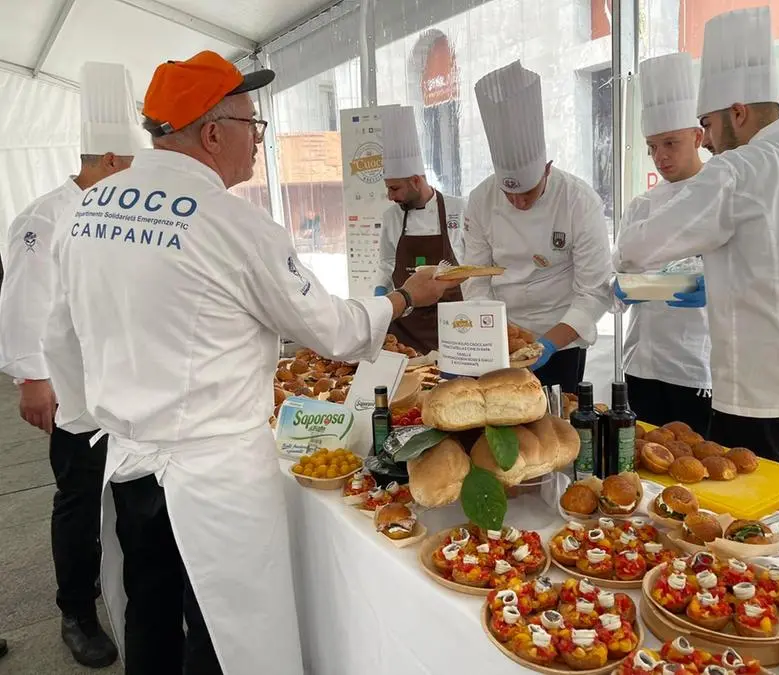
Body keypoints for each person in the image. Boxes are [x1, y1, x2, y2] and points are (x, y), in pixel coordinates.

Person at [42, 50, 459, 675]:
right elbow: (334, 330)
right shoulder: (233, 223)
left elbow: (61, 334)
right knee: (230, 636)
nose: (258, 142)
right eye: (252, 126)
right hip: (216, 478)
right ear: (213, 133)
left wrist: (84, 418)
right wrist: (405, 296)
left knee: (148, 609)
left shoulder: (87, 209)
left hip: (130, 463)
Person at [614, 7, 779, 467]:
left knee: (742, 518)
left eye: (706, 125)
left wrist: (660, 278)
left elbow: (635, 250)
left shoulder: (740, 168)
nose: (706, 141)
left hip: (760, 393)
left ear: (738, 111)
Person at [0, 61, 147, 669]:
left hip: (127, 384)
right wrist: (31, 377)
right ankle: (76, 610)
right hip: (71, 389)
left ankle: (139, 593)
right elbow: (22, 305)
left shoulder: (121, 212)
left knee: (135, 496)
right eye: (132, 163)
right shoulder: (45, 215)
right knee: (78, 499)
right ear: (111, 160)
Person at [463, 61, 615, 393]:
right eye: (510, 194)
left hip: (561, 338)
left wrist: (545, 344)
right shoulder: (480, 199)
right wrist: (495, 336)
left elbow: (593, 291)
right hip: (500, 340)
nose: (518, 203)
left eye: (528, 193)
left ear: (547, 168)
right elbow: (476, 277)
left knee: (557, 430)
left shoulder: (579, 201)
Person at [614, 52, 712, 433]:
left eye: (670, 143)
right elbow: (617, 284)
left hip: (696, 366)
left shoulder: (719, 195)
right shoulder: (641, 207)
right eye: (652, 146)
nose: (660, 157)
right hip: (642, 362)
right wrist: (624, 289)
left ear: (698, 136)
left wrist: (714, 287)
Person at [374, 105, 465, 354]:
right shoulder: (392, 217)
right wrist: (380, 297)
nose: (390, 196)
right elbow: (386, 263)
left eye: (395, 188)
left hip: (453, 324)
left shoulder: (459, 208)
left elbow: (472, 264)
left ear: (416, 180)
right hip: (406, 327)